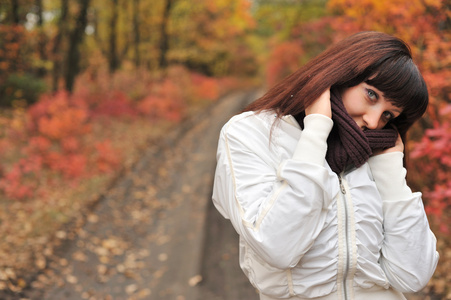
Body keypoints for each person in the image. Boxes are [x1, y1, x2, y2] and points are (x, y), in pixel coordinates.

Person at [212, 31, 439, 300]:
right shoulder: (250, 133)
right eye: (371, 95)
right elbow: (277, 246)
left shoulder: (376, 151)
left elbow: (413, 276)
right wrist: (316, 132)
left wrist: (391, 173)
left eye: (388, 115)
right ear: (341, 75)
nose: (374, 121)